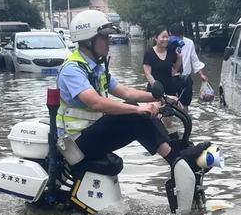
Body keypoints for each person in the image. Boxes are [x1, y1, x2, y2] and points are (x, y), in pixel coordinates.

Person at [57, 10, 184, 166]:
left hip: (91, 133)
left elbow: (126, 92)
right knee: (133, 114)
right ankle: (175, 160)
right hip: (75, 143)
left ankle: (177, 153)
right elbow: (95, 102)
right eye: (104, 37)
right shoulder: (73, 69)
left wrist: (162, 97)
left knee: (136, 114)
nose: (108, 42)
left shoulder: (97, 68)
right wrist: (137, 110)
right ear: (88, 40)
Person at [168, 23, 210, 110]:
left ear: (182, 35)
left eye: (179, 37)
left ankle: (185, 121)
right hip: (170, 78)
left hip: (185, 78)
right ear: (170, 34)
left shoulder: (189, 43)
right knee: (169, 105)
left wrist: (201, 74)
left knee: (185, 105)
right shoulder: (166, 43)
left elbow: (194, 60)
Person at [142, 27, 184, 98]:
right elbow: (147, 74)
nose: (165, 39)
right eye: (163, 37)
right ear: (156, 38)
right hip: (155, 91)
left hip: (170, 89)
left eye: (167, 37)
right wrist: (157, 88)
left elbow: (174, 70)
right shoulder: (149, 53)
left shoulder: (171, 51)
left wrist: (179, 58)